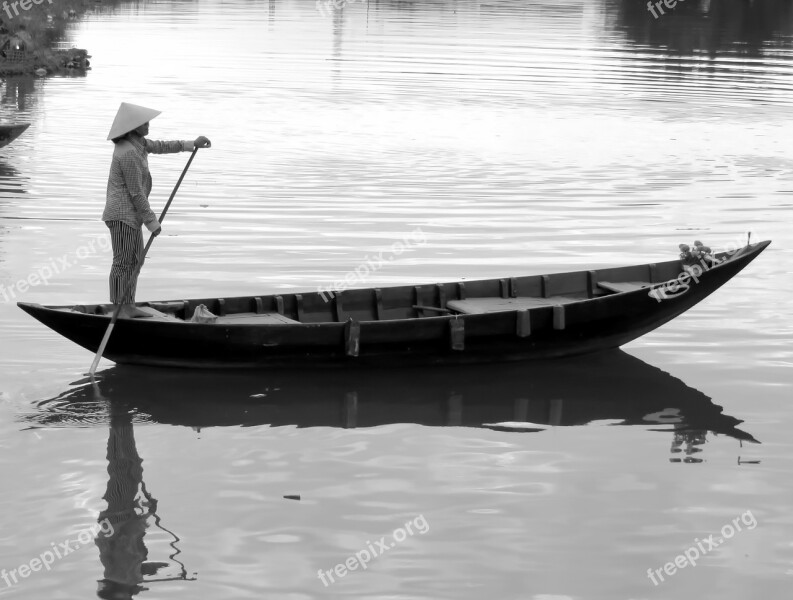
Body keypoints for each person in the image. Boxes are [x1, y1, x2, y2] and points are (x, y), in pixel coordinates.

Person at [103, 102, 210, 318]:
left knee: (136, 260)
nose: (148, 125)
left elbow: (161, 146)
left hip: (131, 215)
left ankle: (128, 305)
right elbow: (135, 193)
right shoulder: (128, 152)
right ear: (133, 127)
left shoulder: (138, 144)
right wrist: (152, 222)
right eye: (144, 123)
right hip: (122, 214)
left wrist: (191, 144)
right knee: (124, 262)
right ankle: (120, 307)